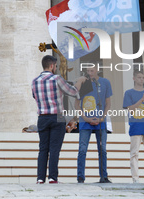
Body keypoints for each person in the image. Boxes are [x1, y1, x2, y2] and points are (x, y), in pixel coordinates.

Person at [31, 55, 80, 184]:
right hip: (57, 115)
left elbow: (34, 96)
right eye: (56, 66)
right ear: (52, 66)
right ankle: (52, 177)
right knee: (54, 149)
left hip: (42, 117)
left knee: (43, 149)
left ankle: (40, 178)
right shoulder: (57, 78)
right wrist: (79, 83)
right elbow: (73, 92)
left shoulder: (34, 81)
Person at [75, 65, 112, 183]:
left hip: (100, 122)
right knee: (82, 149)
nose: (90, 73)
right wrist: (85, 118)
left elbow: (108, 103)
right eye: (88, 71)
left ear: (97, 70)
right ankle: (80, 177)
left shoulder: (105, 82)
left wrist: (102, 117)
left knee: (103, 149)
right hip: (85, 122)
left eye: (92, 70)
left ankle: (104, 176)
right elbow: (77, 103)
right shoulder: (83, 83)